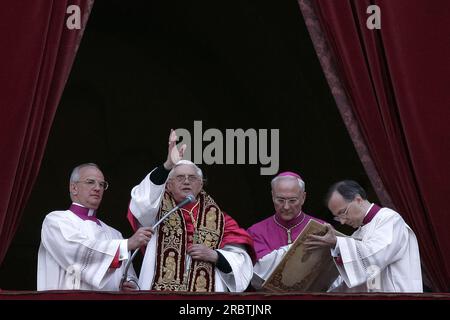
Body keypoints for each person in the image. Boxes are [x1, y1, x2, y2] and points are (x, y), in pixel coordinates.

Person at [126, 130, 255, 292]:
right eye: (180, 178)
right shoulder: (156, 213)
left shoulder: (221, 220)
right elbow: (141, 203)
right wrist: (167, 166)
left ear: (201, 185)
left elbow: (241, 260)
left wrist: (215, 256)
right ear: (168, 185)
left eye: (192, 178)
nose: (186, 181)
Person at [37, 163, 153, 291]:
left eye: (102, 184)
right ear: (74, 188)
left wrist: (128, 285)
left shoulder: (115, 234)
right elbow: (78, 252)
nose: (97, 188)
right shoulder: (56, 221)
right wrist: (126, 245)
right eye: (90, 182)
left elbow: (128, 276)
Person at [304, 180, 423, 292]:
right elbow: (357, 277)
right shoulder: (357, 234)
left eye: (343, 213)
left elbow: (375, 258)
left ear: (358, 200)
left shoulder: (390, 219)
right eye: (337, 217)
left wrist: (337, 243)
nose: (342, 222)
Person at [247, 171, 324, 288]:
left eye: (292, 200)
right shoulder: (256, 232)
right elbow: (258, 273)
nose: (286, 207)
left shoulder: (322, 228)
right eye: (280, 200)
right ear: (272, 196)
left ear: (303, 197)